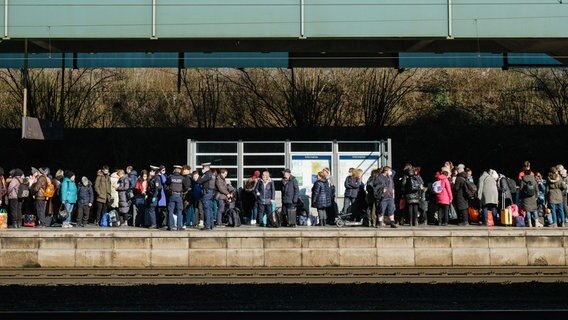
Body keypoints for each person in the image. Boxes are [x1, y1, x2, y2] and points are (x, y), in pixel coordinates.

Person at [197, 162, 216, 231]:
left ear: (206, 167)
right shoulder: (212, 174)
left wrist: (199, 176)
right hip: (210, 193)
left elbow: (200, 181)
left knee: (206, 210)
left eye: (203, 167)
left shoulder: (207, 174)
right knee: (210, 209)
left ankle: (207, 226)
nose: (202, 169)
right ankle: (211, 225)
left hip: (207, 193)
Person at [166, 165, 184, 231]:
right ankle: (179, 226)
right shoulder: (182, 178)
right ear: (179, 170)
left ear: (174, 170)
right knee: (179, 211)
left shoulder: (170, 177)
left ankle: (170, 226)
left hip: (172, 195)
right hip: (179, 195)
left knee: (170, 210)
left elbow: (167, 183)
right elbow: (186, 186)